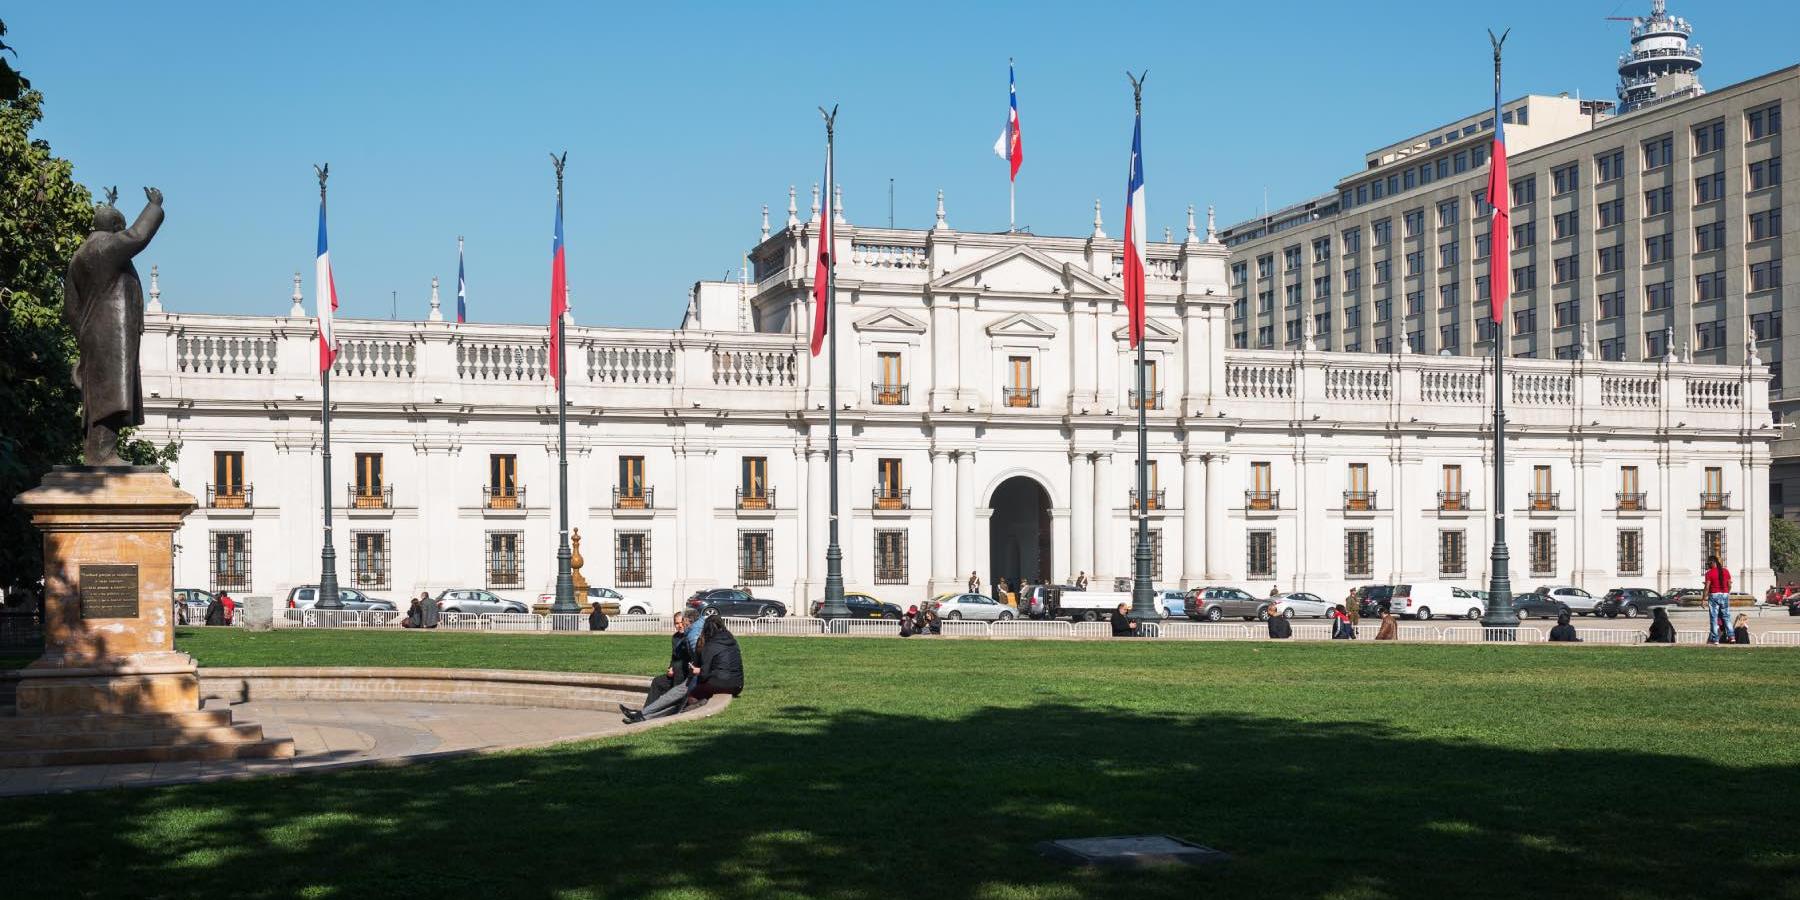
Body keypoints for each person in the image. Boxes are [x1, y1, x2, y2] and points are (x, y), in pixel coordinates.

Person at [622, 611, 696, 719]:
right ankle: (644, 712)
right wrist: (670, 667)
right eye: (676, 623)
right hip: (675, 672)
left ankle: (646, 715)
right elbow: (674, 657)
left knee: (677, 676)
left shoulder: (690, 636)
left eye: (681, 622)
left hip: (684, 675)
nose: (679, 625)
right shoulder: (675, 637)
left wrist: (676, 668)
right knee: (657, 682)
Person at [1703, 555, 1732, 644]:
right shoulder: (1726, 571)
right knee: (1726, 617)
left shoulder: (1709, 573)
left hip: (1714, 595)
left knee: (1714, 618)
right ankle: (1732, 636)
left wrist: (1703, 599)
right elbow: (1729, 584)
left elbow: (1707, 587)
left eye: (1708, 563)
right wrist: (1727, 592)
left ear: (1712, 563)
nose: (1707, 565)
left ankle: (1715, 639)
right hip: (1724, 594)